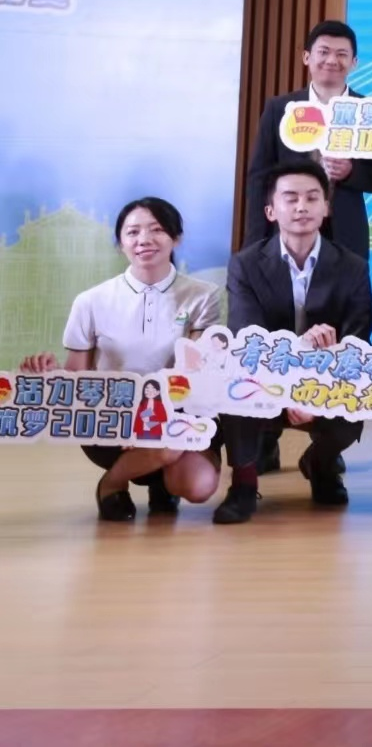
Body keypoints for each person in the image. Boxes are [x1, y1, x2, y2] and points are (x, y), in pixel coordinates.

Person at [19, 198, 222, 521]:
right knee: (166, 446)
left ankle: (163, 483)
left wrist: (151, 418)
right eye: (133, 232)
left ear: (176, 238)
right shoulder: (90, 301)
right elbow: (77, 375)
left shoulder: (202, 295)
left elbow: (195, 373)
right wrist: (50, 375)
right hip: (114, 418)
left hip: (179, 414)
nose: (144, 239)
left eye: (156, 230)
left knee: (197, 485)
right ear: (120, 243)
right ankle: (113, 483)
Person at [213, 163, 372, 525]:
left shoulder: (352, 266)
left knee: (355, 406)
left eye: (311, 198)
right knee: (234, 388)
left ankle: (320, 465)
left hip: (326, 382)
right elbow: (248, 338)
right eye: (290, 198)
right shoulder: (245, 265)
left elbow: (357, 340)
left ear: (326, 207)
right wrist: (289, 390)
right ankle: (243, 484)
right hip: (264, 378)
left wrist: (313, 394)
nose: (301, 206)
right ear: (271, 210)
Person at [241, 19, 372, 260]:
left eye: (341, 54)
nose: (332, 60)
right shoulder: (280, 109)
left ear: (354, 62)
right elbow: (260, 178)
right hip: (288, 227)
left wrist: (351, 172)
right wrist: (255, 241)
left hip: (345, 229)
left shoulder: (370, 112)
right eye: (323, 52)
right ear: (307, 57)